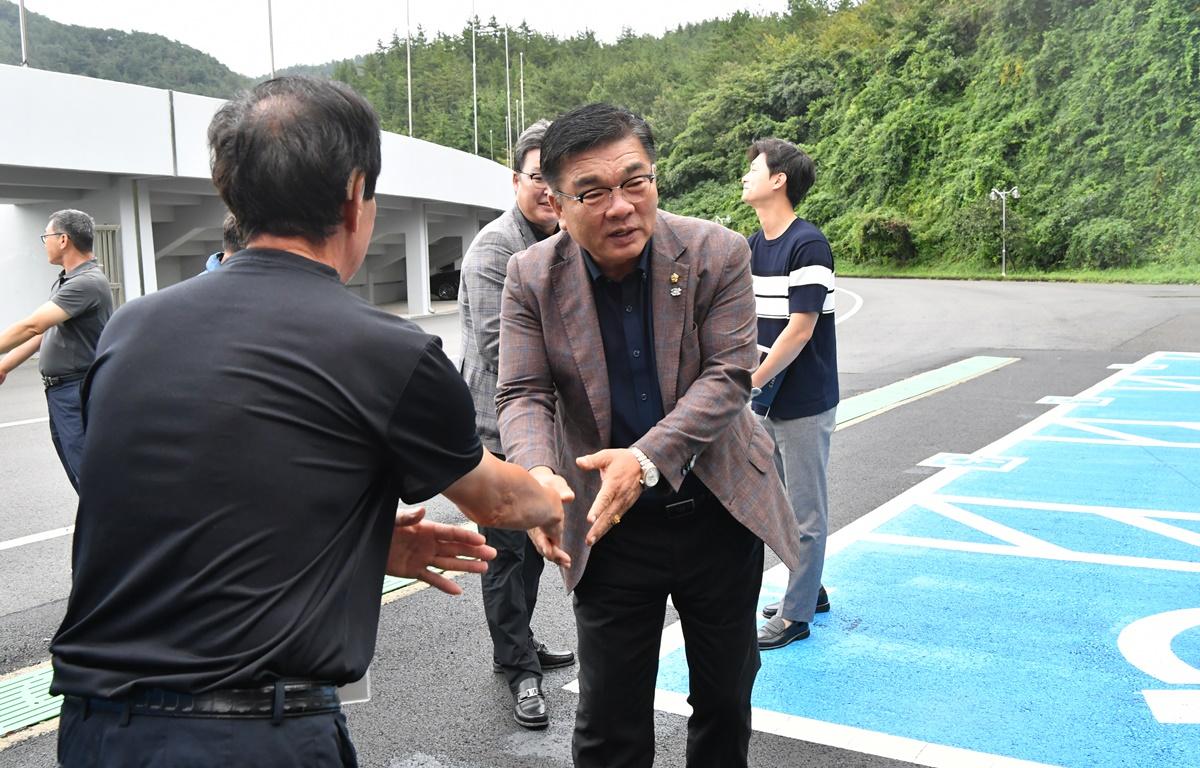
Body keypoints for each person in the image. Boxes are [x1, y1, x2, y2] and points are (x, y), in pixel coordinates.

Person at [49, 76, 570, 768]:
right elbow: (498, 498)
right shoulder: (389, 352)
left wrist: (359, 543)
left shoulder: (132, 329)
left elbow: (175, 495)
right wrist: (551, 494)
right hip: (253, 737)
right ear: (357, 194)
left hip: (95, 730)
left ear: (228, 188)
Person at [495, 103, 803, 768]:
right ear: (554, 199)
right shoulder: (531, 277)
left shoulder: (715, 252)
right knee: (609, 724)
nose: (621, 207)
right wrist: (537, 474)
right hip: (607, 526)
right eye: (594, 192)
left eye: (636, 182)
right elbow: (522, 392)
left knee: (725, 703)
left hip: (718, 511)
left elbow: (728, 377)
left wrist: (645, 458)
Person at [458, 118, 575, 730]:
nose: (548, 190)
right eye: (537, 178)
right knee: (506, 556)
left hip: (544, 431)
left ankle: (522, 642)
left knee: (532, 554)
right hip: (498, 431)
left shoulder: (563, 236)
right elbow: (502, 350)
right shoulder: (495, 251)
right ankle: (518, 671)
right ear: (516, 180)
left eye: (557, 179)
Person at [740, 138, 839, 650]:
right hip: (767, 400)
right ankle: (812, 588)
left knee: (806, 511)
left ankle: (797, 614)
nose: (745, 176)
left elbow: (799, 329)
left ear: (779, 180)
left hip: (803, 400)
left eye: (753, 168)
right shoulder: (755, 246)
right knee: (777, 504)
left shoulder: (808, 245)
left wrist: (749, 382)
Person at [0, 210, 113, 491]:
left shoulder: (85, 283)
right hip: (63, 392)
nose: (45, 243)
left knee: (90, 478)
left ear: (63, 240)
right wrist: (4, 366)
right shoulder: (69, 280)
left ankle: (122, 533)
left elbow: (32, 326)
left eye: (46, 236)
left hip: (76, 390)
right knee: (80, 475)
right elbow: (45, 334)